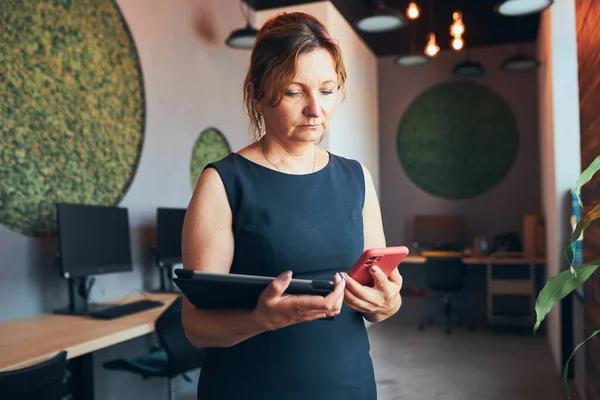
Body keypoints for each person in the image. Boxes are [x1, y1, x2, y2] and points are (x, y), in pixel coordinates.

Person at [181, 11, 403, 400]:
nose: (315, 109)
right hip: (250, 388)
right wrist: (259, 320)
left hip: (349, 385)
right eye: (293, 91)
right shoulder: (223, 182)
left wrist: (387, 301)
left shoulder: (356, 179)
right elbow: (195, 327)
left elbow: (378, 303)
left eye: (327, 89)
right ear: (256, 93)